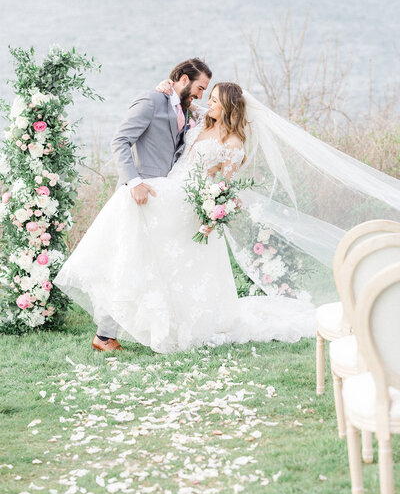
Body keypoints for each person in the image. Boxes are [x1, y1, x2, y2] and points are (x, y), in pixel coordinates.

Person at [54, 81, 318, 353]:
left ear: (228, 106)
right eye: (209, 97)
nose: (209, 103)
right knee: (133, 233)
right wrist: (163, 88)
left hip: (188, 202)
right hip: (170, 187)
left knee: (141, 233)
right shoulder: (203, 119)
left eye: (215, 100)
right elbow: (179, 102)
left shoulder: (234, 143)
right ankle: (107, 328)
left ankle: (111, 332)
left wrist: (212, 214)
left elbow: (224, 187)